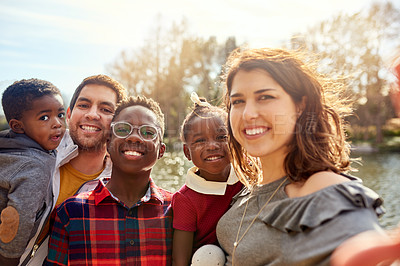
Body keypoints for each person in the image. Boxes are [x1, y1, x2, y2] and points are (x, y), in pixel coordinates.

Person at [215, 47, 386, 265]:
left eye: (265, 97)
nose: (248, 113)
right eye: (237, 101)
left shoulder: (323, 189)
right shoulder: (245, 191)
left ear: (300, 106)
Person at [45, 95, 173, 265]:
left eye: (148, 132)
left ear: (161, 151)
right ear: (108, 142)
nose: (134, 137)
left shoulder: (176, 210)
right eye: (122, 129)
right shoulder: (70, 212)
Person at [19, 74, 127, 265]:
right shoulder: (30, 152)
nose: (92, 114)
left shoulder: (121, 185)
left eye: (105, 109)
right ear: (68, 114)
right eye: (84, 105)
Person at [171, 92, 243, 266]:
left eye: (222, 137)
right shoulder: (186, 199)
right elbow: (180, 261)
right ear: (187, 152)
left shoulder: (247, 176)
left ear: (235, 141)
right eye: (200, 140)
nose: (212, 146)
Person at [0, 79, 66, 265]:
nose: (58, 124)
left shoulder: (8, 146)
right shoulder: (35, 166)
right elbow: (18, 220)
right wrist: (9, 260)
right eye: (44, 118)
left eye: (60, 114)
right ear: (18, 126)